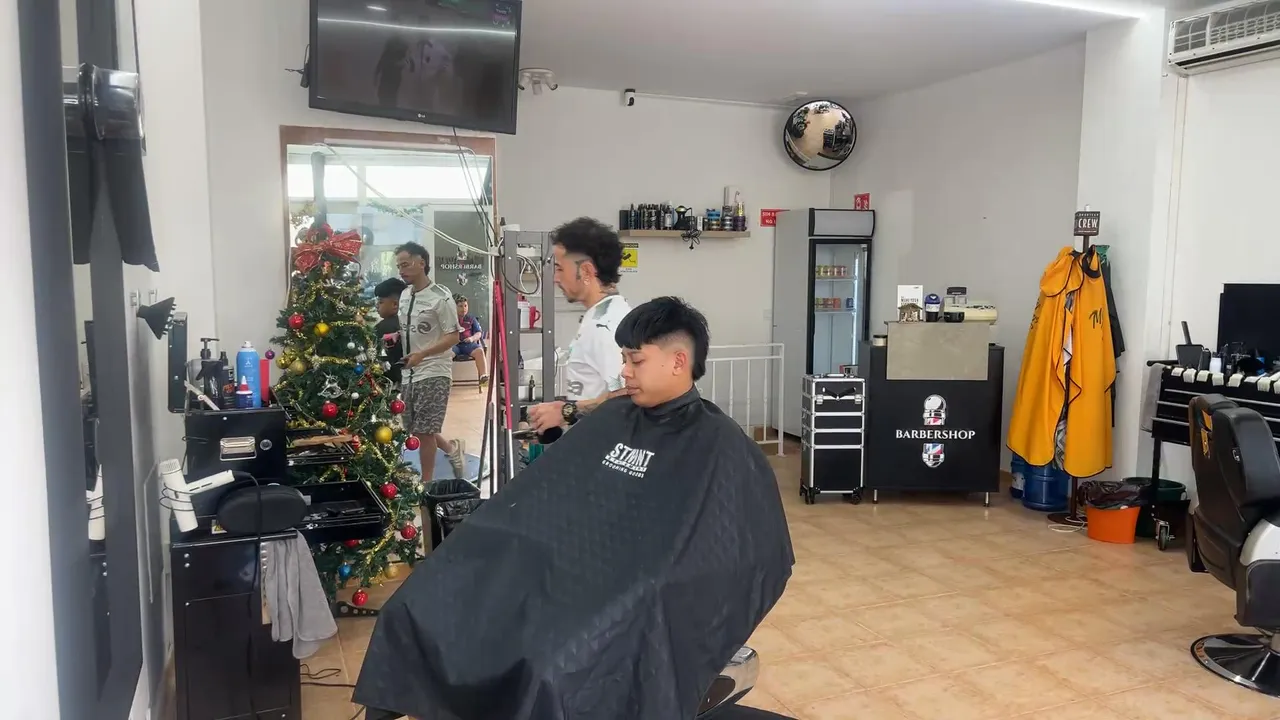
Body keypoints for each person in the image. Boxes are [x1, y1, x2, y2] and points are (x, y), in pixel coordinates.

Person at [528, 217, 632, 434]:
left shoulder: (606, 326)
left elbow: (628, 394)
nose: (555, 278)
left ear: (586, 271)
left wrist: (567, 411)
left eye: (559, 268)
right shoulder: (599, 316)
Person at [394, 242, 467, 481]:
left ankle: (426, 485)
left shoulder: (440, 297)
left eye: (405, 264)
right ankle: (452, 450)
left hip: (434, 371)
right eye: (399, 266)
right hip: (409, 371)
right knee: (415, 428)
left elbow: (453, 336)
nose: (401, 270)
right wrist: (396, 336)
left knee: (425, 431)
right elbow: (412, 328)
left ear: (421, 263)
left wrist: (423, 354)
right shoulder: (405, 295)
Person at [614, 296, 711, 408]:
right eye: (624, 361)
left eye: (637, 361)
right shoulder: (609, 412)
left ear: (678, 363)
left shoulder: (710, 421)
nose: (625, 372)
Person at [373, 277, 407, 385]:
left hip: (390, 380)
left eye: (381, 302)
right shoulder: (409, 323)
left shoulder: (384, 327)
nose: (377, 305)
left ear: (395, 304)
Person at [451, 294, 489, 384]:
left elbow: (479, 333)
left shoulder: (471, 318)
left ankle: (483, 377)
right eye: (460, 306)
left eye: (465, 306)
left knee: (479, 351)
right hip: (454, 345)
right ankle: (447, 379)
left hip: (468, 344)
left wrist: (472, 338)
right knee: (446, 354)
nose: (463, 308)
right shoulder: (450, 319)